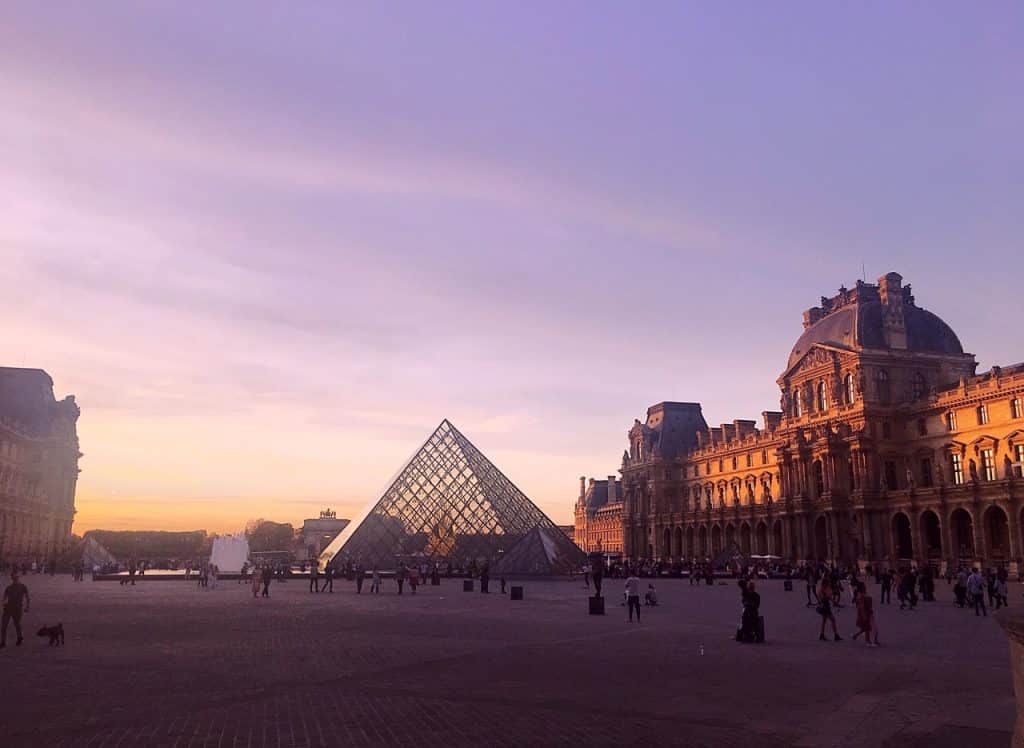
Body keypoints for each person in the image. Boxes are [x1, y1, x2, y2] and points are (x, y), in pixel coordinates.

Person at [1, 571, 30, 648]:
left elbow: (27, 597)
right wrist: (3, 602)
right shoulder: (9, 588)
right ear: (12, 579)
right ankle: (3, 642)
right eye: (14, 578)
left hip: (17, 608)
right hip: (9, 608)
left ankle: (19, 637)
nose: (15, 579)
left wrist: (27, 607)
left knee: (17, 624)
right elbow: (4, 597)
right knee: (4, 626)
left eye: (16, 577)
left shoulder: (22, 586)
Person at [852, 582, 879, 647]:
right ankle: (868, 641)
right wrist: (864, 615)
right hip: (865, 613)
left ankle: (858, 636)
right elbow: (861, 606)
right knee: (868, 627)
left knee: (868, 627)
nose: (865, 586)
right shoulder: (860, 595)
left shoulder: (863, 594)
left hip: (868, 612)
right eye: (864, 586)